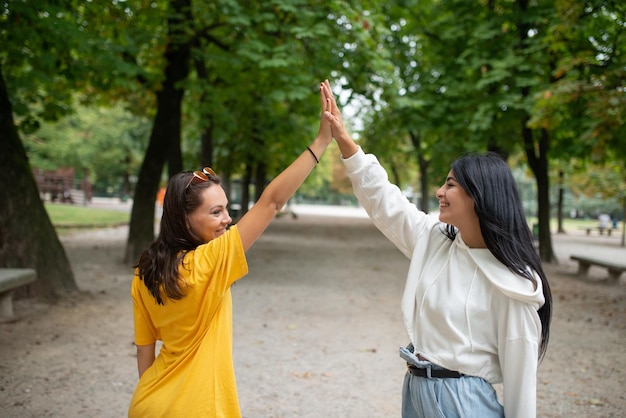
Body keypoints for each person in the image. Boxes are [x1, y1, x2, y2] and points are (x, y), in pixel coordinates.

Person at [320, 80, 552, 418]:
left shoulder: (512, 284)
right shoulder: (437, 240)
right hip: (416, 389)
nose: (440, 192)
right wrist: (344, 138)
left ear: (479, 197)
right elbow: (384, 200)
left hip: (462, 402)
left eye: (451, 184)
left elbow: (521, 383)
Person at [128, 84, 332, 417]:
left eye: (226, 208)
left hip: (149, 403)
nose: (228, 219)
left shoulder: (145, 269)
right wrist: (321, 141)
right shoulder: (209, 261)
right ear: (183, 218)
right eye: (215, 212)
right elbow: (272, 201)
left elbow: (144, 350)